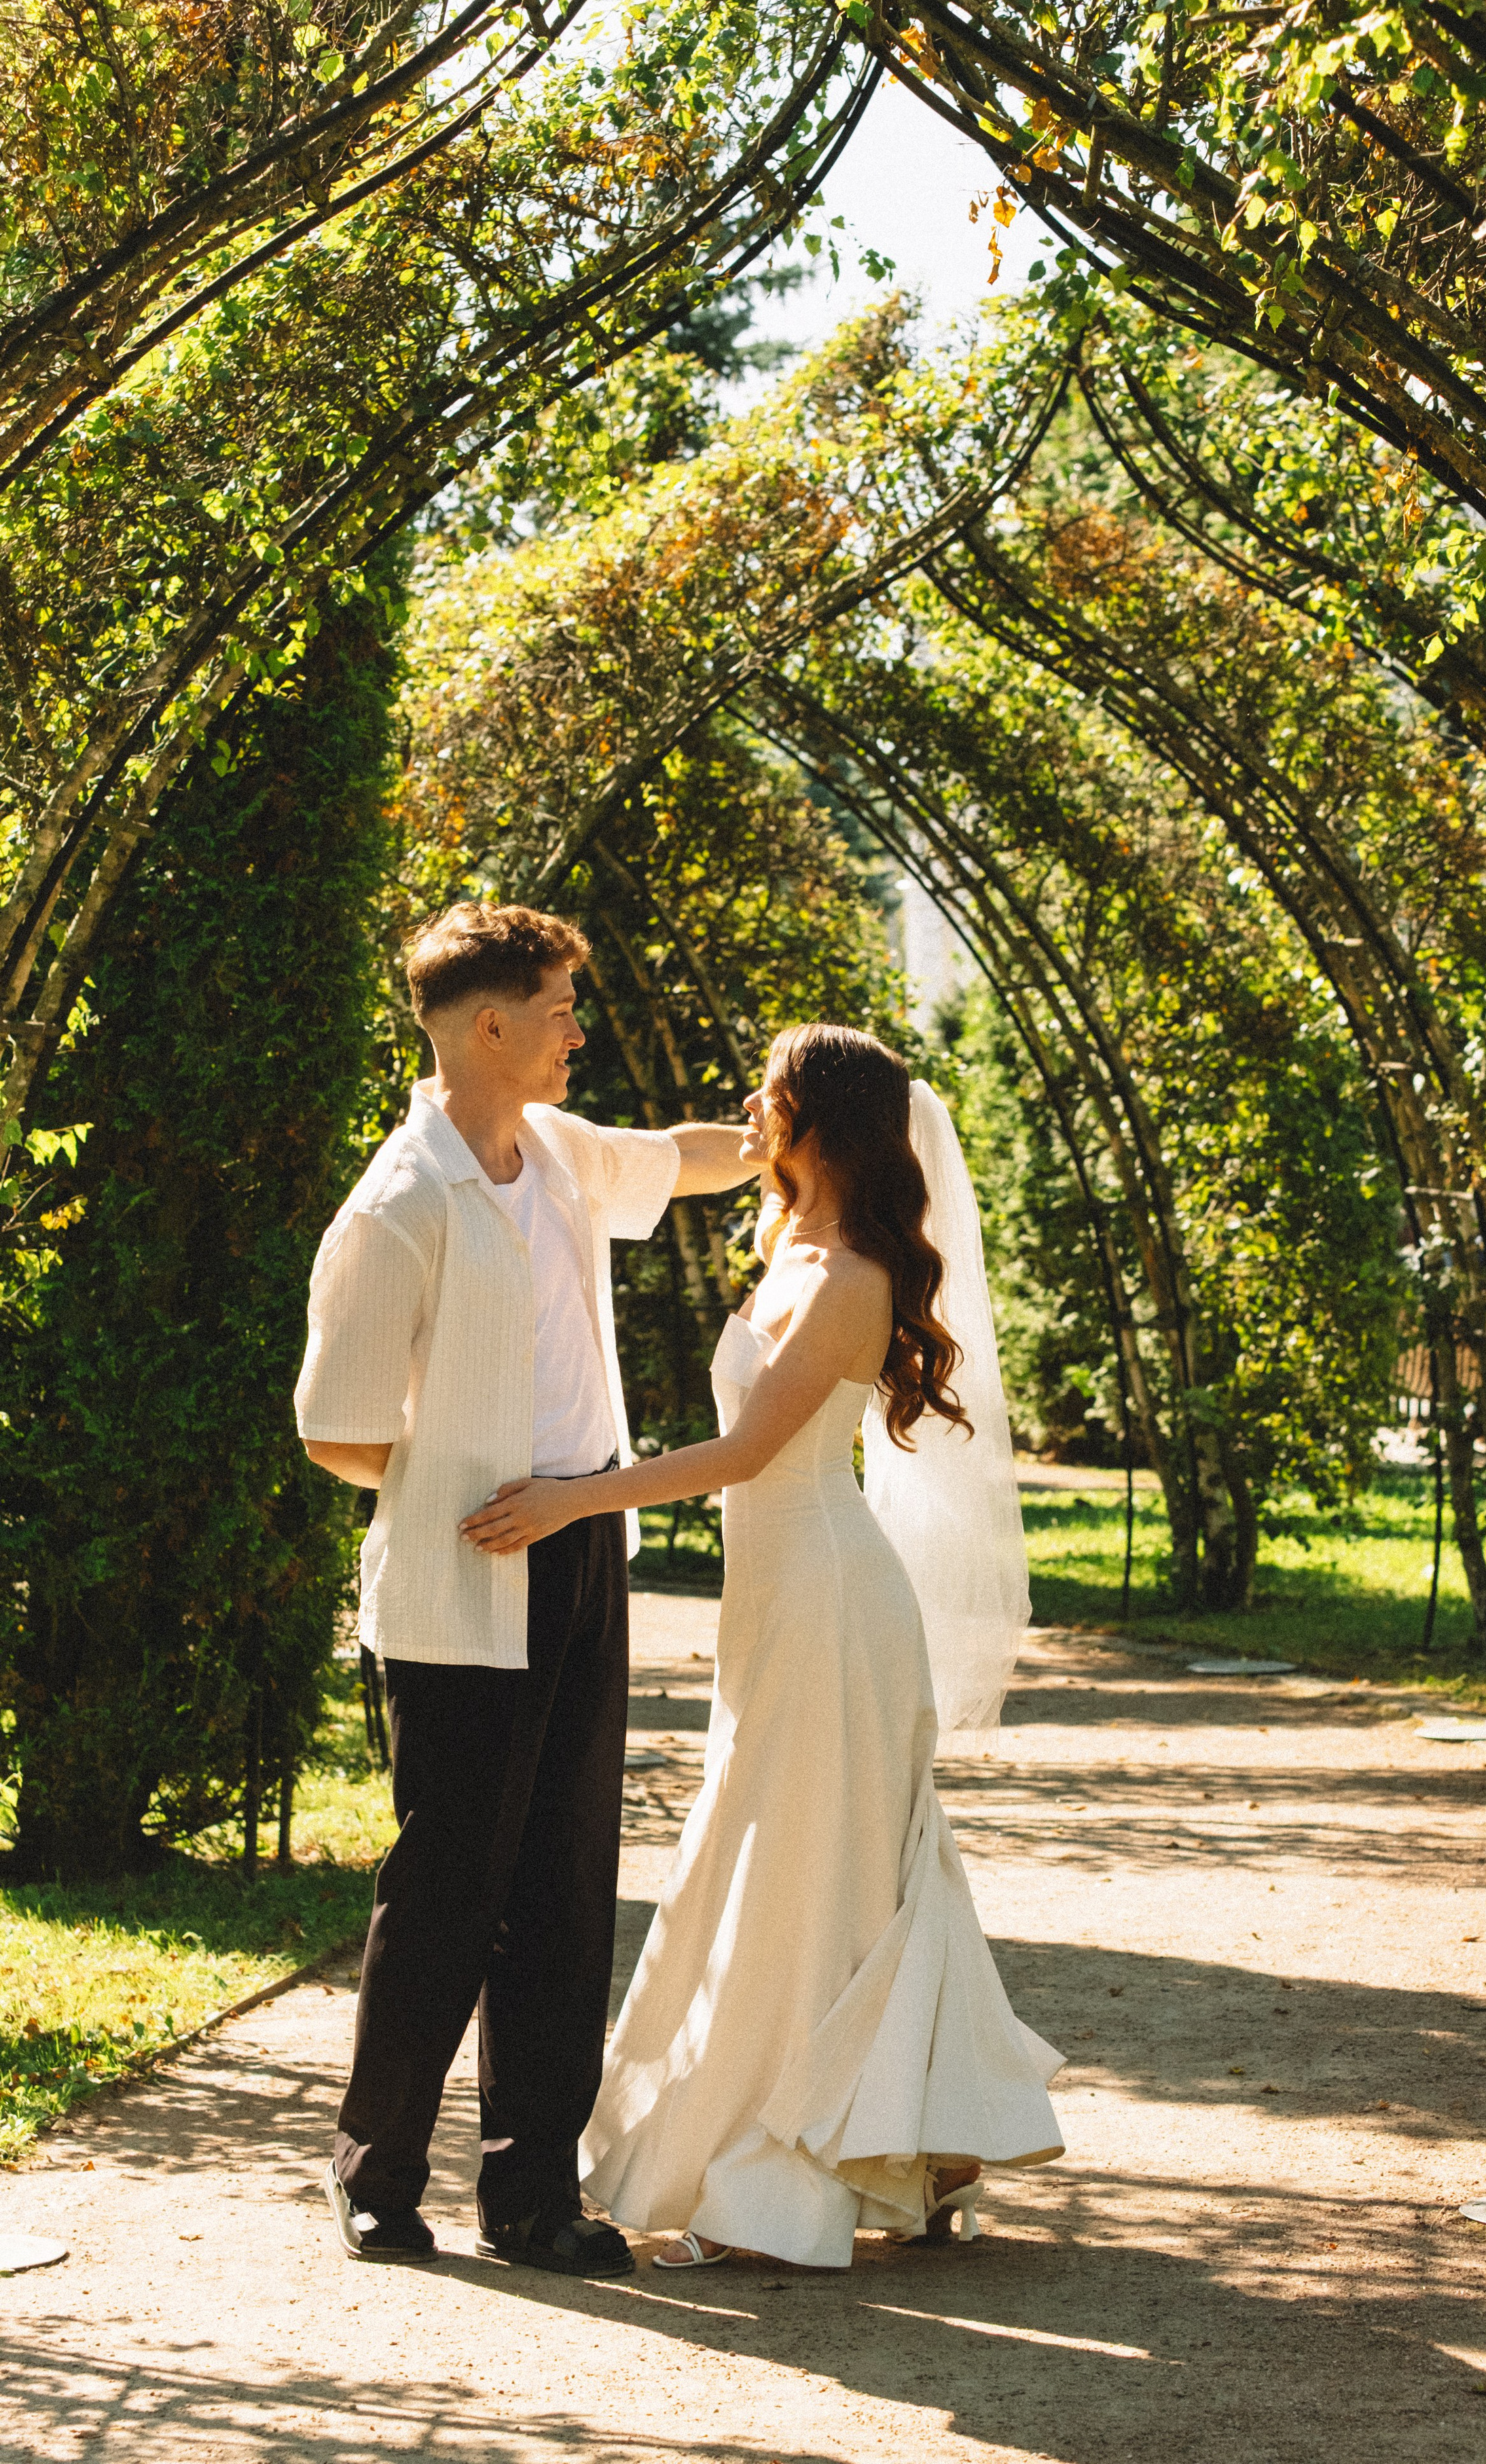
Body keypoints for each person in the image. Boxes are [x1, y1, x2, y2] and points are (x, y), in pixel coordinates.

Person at [460, 1023, 1064, 2268]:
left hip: (834, 1602)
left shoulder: (851, 1277)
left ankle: (811, 2157)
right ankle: (916, 2142)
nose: (749, 1101)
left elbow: (744, 1457)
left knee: (805, 1872)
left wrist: (572, 1496)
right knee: (783, 1860)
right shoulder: (792, 1238)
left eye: (770, 1090)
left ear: (818, 1118)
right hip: (777, 1599)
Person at [295, 902, 758, 2275]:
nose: (577, 1028)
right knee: (447, 1885)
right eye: (560, 1006)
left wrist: (794, 1126)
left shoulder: (554, 1150)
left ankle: (533, 2197)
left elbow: (678, 1162)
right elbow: (335, 1421)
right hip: (459, 1580)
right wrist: (455, 1492)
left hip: (583, 1550)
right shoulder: (397, 1206)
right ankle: (375, 2176)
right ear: (488, 1024)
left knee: (563, 1881)